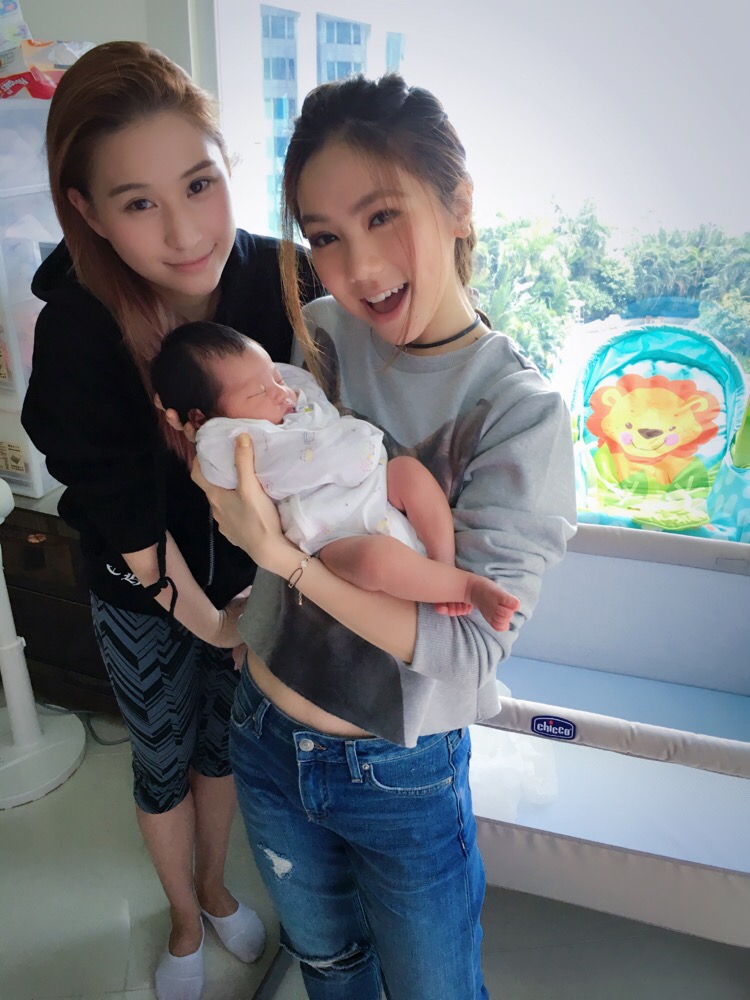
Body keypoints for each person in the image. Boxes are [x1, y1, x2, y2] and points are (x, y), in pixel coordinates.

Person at [188, 73, 578, 1000]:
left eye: (382, 216)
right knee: (327, 966)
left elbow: (466, 653)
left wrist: (283, 562)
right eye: (324, 235)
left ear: (458, 205)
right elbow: (279, 488)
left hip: (400, 772)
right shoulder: (318, 336)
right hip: (263, 732)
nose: (358, 268)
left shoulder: (517, 413)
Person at [20, 41, 317, 1000]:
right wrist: (213, 624)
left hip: (251, 578)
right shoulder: (79, 325)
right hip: (141, 586)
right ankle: (185, 921)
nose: (187, 233)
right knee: (162, 758)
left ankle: (218, 890)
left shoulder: (285, 282)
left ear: (230, 165)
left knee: (221, 748)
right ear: (87, 211)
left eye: (199, 184)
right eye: (139, 203)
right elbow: (115, 503)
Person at [152, 320, 521, 631]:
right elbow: (214, 456)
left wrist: (268, 379)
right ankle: (466, 587)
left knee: (408, 472)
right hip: (331, 534)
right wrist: (198, 427)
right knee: (374, 562)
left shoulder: (293, 402)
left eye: (276, 378)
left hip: (376, 487)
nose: (282, 393)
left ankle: (442, 564)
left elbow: (295, 384)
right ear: (201, 417)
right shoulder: (225, 438)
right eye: (260, 392)